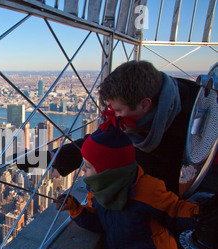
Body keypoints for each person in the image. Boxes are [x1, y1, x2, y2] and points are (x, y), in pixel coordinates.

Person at [55, 116, 200, 249]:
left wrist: (200, 216)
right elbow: (101, 222)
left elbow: (175, 211)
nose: (83, 170)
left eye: (88, 166)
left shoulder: (145, 190)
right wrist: (76, 209)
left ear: (108, 171)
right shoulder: (98, 193)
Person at [18, 60, 201, 196]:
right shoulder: (134, 116)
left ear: (145, 105)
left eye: (119, 109)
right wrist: (48, 158)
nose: (114, 114)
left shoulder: (197, 123)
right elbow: (101, 141)